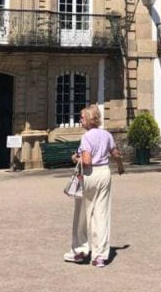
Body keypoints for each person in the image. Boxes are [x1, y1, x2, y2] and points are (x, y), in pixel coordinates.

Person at [64, 104, 125, 268]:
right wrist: (120, 167)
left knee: (82, 214)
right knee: (101, 214)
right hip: (104, 173)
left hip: (89, 175)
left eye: (82, 117)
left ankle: (80, 251)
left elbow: (87, 161)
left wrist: (75, 159)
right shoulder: (107, 135)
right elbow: (115, 154)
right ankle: (99, 256)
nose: (80, 120)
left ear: (90, 119)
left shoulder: (87, 137)